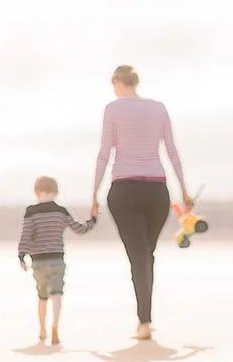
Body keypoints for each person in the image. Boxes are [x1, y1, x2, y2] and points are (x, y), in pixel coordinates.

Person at [92, 65, 193, 340]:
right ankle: (145, 318)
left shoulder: (113, 109)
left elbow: (104, 153)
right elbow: (171, 151)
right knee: (147, 255)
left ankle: (144, 321)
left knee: (138, 256)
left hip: (124, 189)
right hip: (156, 190)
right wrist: (184, 190)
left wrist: (94, 194)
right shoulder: (158, 108)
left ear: (116, 82)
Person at [18, 175, 98, 345]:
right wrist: (93, 219)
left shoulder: (31, 212)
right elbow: (80, 229)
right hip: (57, 259)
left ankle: (42, 329)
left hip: (38, 261)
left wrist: (21, 256)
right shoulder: (61, 211)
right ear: (55, 192)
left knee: (41, 295)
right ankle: (55, 326)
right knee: (57, 294)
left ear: (37, 191)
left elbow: (25, 236)